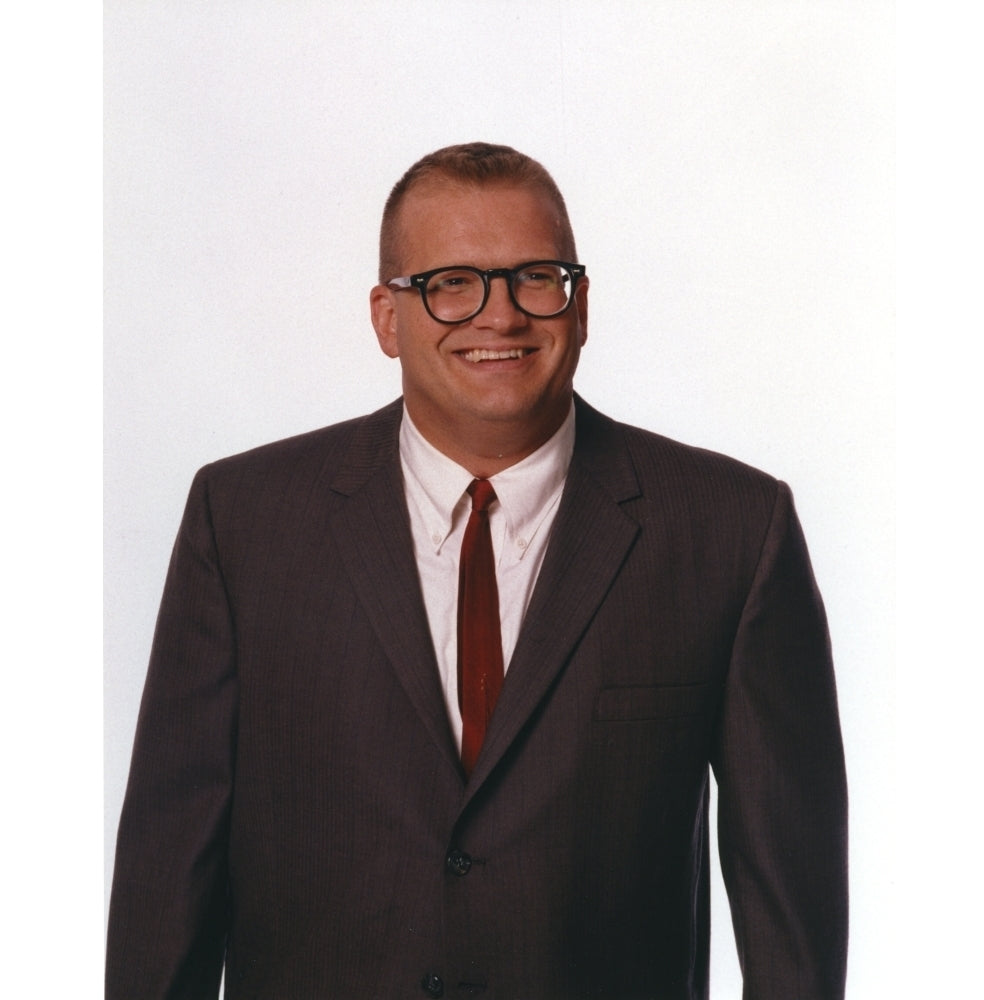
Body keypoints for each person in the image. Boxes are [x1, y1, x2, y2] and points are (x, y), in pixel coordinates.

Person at [106, 142, 848, 1000]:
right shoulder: (242, 522)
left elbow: (791, 907)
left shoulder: (729, 529)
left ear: (580, 304)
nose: (499, 316)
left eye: (536, 276)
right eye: (451, 283)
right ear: (387, 317)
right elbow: (169, 876)